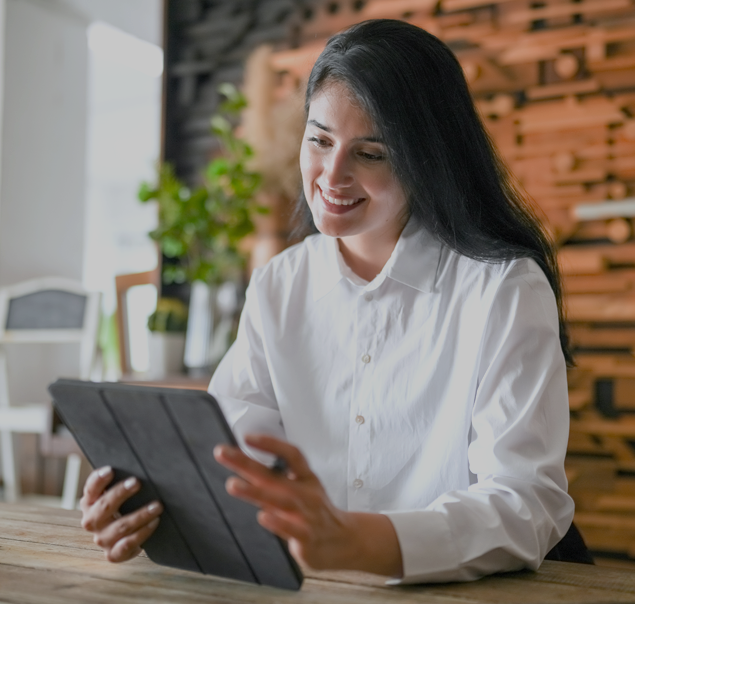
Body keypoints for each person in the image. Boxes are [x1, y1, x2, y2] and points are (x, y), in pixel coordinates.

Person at [80, 19, 576, 584]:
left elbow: (526, 502)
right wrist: (145, 505)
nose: (331, 175)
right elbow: (225, 455)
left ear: (427, 159)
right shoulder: (279, 285)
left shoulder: (504, 290)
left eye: (370, 153)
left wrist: (362, 543)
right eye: (319, 140)